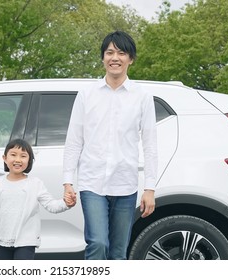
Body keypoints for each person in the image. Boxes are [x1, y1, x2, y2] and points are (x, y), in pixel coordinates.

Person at [62, 31, 158, 260]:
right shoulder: (87, 94)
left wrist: (150, 189)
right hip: (92, 182)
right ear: (103, 58)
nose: (115, 58)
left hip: (125, 184)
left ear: (130, 59)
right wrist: (68, 181)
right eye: (110, 52)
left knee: (118, 252)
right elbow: (74, 139)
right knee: (97, 243)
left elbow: (150, 145)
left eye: (121, 53)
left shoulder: (142, 96)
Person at [0, 138, 76, 260]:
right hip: (2, 240)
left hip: (26, 241)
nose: (18, 160)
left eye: (23, 156)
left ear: (29, 160)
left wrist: (66, 203)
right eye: (13, 155)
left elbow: (51, 205)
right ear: (4, 158)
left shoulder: (35, 183)